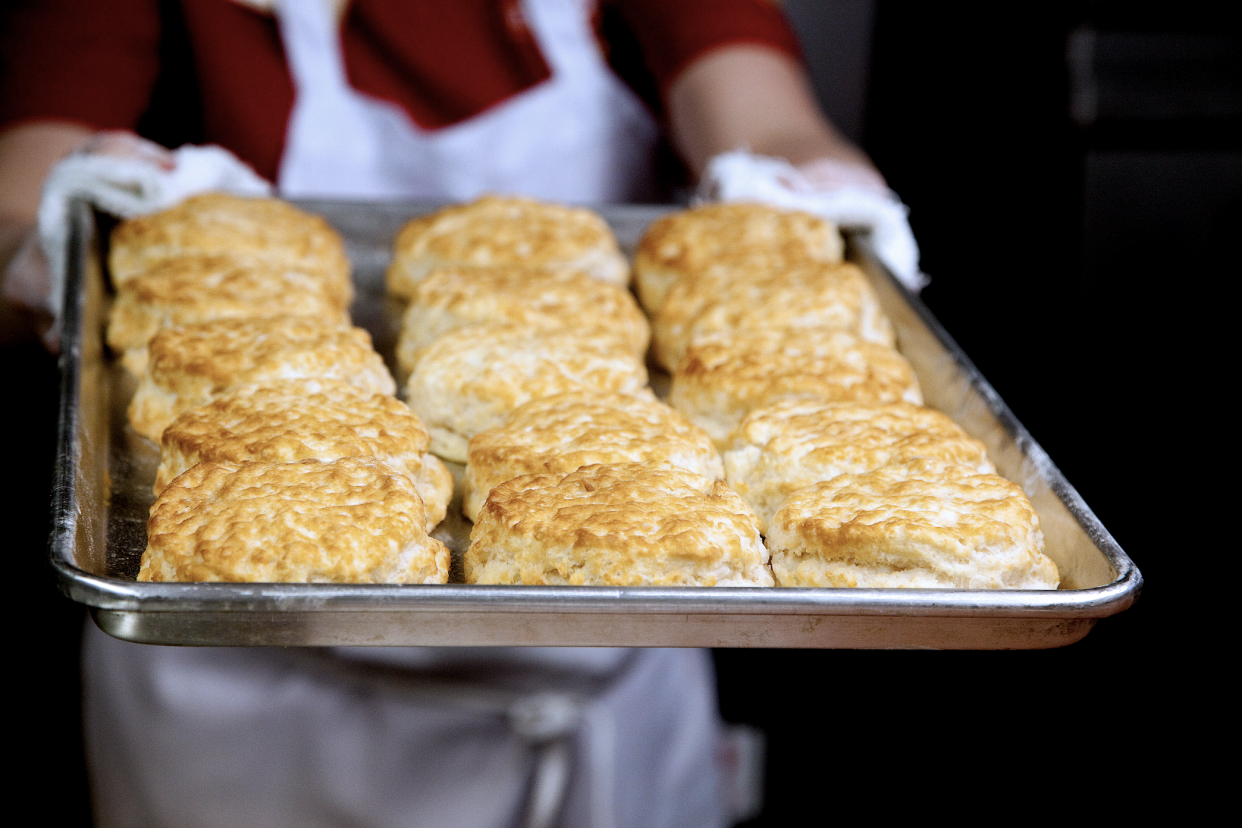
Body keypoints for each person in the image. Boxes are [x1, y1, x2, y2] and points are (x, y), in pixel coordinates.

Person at [0, 2, 895, 826]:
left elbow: (769, 120)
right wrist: (60, 221)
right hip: (243, 690)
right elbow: (22, 181)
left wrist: (809, 187)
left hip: (617, 636)